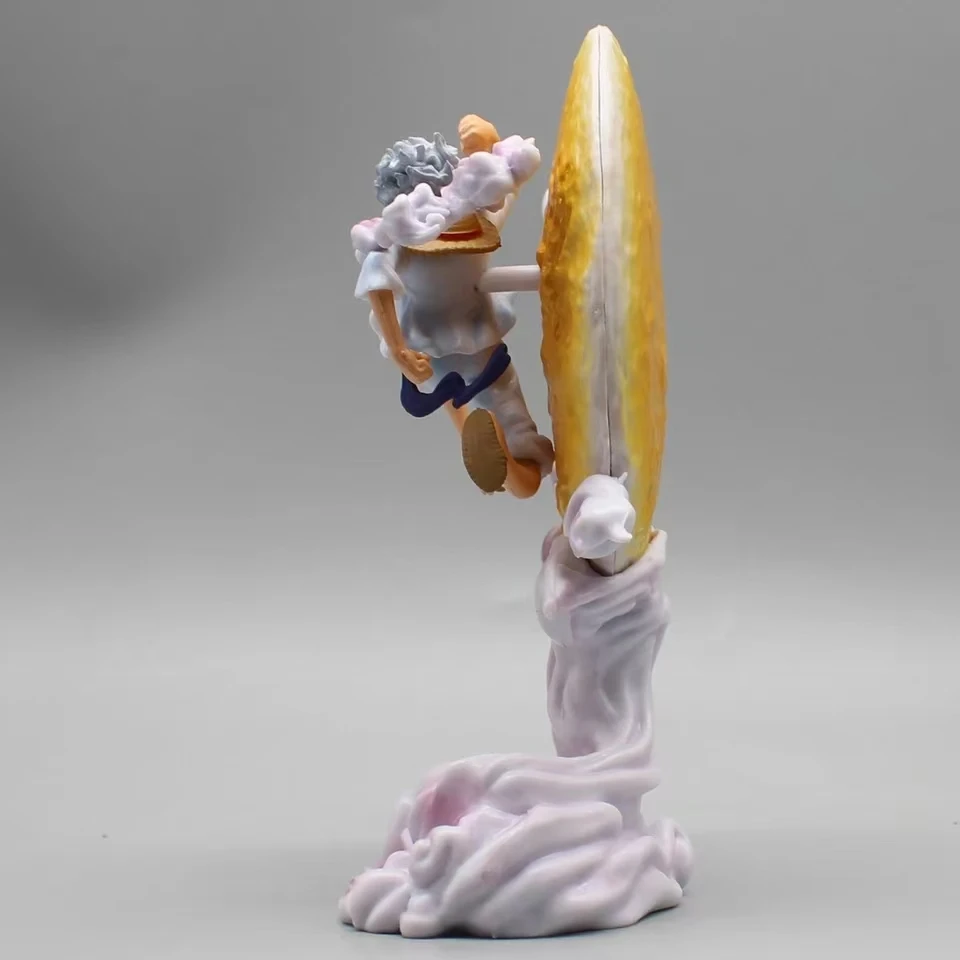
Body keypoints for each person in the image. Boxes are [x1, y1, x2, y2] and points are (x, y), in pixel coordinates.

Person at [351, 116, 554, 498]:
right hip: (461, 348)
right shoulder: (411, 235)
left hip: (440, 352)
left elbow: (501, 189)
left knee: (471, 406)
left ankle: (503, 462)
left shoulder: (459, 223)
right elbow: (378, 285)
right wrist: (398, 351)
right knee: (507, 418)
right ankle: (509, 462)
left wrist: (400, 351)